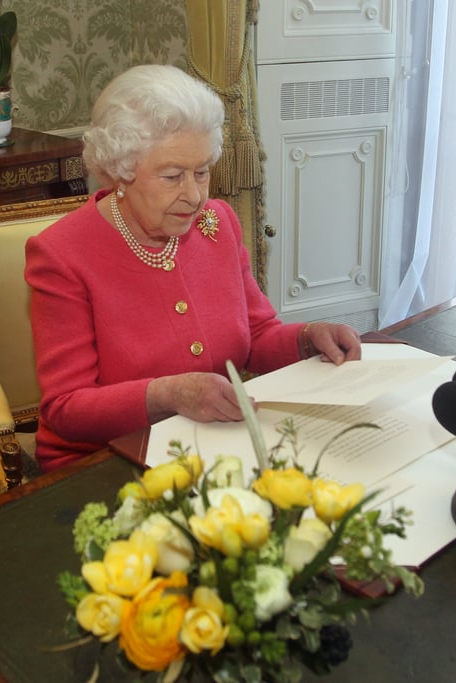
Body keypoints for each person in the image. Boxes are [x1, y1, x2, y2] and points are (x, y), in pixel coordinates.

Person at [25, 64, 362, 473]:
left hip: (213, 442)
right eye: (172, 176)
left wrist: (309, 339)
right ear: (120, 171)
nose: (195, 196)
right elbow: (67, 408)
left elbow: (256, 336)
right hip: (105, 461)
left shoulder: (218, 223)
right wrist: (170, 394)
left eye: (202, 172)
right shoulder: (61, 255)